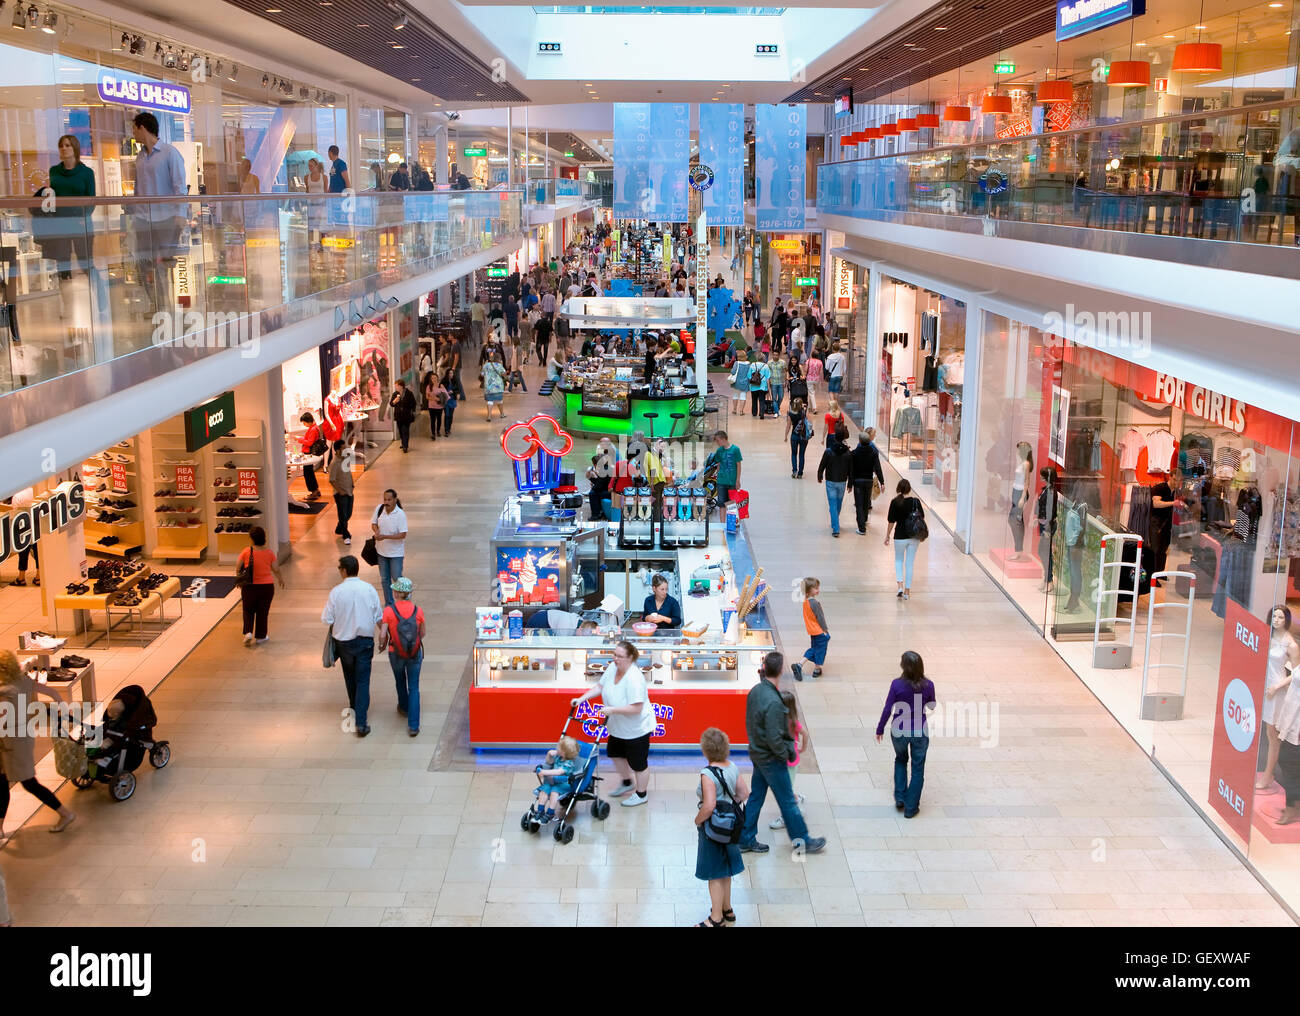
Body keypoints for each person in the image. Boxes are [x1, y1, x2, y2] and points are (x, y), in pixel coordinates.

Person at [738, 651, 826, 855]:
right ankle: (802, 840)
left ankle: (745, 838)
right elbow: (774, 737)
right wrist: (787, 754)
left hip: (758, 754)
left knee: (756, 797)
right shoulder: (774, 701)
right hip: (771, 758)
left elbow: (751, 721)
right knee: (787, 800)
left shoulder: (756, 691)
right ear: (780, 670)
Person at [0, 649, 77, 838]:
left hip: (12, 742)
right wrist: (62, 709)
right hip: (21, 737)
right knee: (2, 782)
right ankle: (0, 827)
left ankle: (65, 813)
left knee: (29, 783)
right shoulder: (23, 681)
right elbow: (51, 692)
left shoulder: (5, 691)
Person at [571, 641, 655, 807]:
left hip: (636, 729)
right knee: (614, 753)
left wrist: (612, 710)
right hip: (618, 726)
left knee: (639, 764)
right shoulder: (612, 668)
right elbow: (599, 687)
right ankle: (626, 782)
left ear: (630, 658)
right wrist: (581, 699)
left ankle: (641, 794)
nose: (615, 659)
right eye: (614, 654)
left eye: (620, 656)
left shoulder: (634, 678)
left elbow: (636, 708)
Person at [129, 112, 188, 313]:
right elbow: (138, 189)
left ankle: (165, 307)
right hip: (143, 219)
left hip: (166, 219)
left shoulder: (170, 153)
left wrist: (180, 216)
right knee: (144, 264)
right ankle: (156, 304)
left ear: (142, 128)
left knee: (163, 266)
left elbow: (180, 187)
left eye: (134, 128)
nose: (133, 133)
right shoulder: (140, 157)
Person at [321, 556, 384, 737]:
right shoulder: (369, 589)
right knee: (363, 680)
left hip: (344, 643)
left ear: (344, 571)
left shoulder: (336, 592)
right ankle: (361, 723)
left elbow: (327, 619)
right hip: (365, 641)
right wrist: (384, 635)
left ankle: (355, 708)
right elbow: (378, 615)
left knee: (350, 677)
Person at [694, 726, 750, 927]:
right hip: (731, 828)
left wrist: (698, 820)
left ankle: (716, 918)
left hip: (713, 829)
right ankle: (728, 909)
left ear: (705, 750)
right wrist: (729, 804)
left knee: (714, 872)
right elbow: (744, 793)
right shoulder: (733, 766)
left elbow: (709, 805)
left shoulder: (707, 774)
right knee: (726, 868)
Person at [875, 651, 936, 818]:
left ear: (903, 666)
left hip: (898, 730)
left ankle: (900, 797)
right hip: (919, 731)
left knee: (901, 759)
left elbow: (888, 708)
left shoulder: (896, 684)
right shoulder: (929, 685)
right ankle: (911, 807)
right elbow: (931, 706)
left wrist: (880, 728)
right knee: (918, 769)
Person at [377, 576, 425, 737]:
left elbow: (383, 634)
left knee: (399, 680)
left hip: (395, 653)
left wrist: (382, 644)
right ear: (410, 593)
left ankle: (403, 707)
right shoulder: (418, 611)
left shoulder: (389, 611)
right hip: (414, 653)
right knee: (414, 687)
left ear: (397, 593)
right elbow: (422, 633)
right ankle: (413, 726)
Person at [43, 134, 96, 279]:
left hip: (81, 223)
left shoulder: (87, 173)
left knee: (85, 263)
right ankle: (65, 299)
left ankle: (98, 295)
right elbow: (53, 196)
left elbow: (91, 200)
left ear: (75, 148)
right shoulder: (54, 171)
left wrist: (84, 217)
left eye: (67, 145)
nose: (64, 148)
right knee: (62, 265)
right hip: (61, 224)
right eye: (61, 146)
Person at [1259, 606, 1300, 790]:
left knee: (1272, 735)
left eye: (1280, 617)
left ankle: (1268, 775)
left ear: (1287, 620)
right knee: (1268, 733)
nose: (1276, 620)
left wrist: (1277, 686)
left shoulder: (1290, 644)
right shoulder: (1267, 635)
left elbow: (1297, 673)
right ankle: (1267, 773)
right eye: (1274, 616)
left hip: (1275, 689)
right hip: (1263, 685)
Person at [237, 526, 284, 647]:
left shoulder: (246, 551)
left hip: (249, 586)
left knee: (248, 610)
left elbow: (238, 568)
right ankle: (261, 637)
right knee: (262, 612)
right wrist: (280, 579)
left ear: (252, 539)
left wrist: (240, 580)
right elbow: (276, 569)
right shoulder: (269, 553)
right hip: (266, 587)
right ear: (264, 538)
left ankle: (248, 632)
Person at [768, 692, 807, 830]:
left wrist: (803, 747)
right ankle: (796, 799)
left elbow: (805, 733)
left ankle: (787, 816)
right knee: (785, 788)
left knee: (785, 791)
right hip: (784, 761)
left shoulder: (791, 722)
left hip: (789, 763)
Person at [885, 479, 925, 600]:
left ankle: (900, 587)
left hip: (900, 536)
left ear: (898, 489)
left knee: (898, 561)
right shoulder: (916, 502)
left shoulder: (895, 502)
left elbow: (891, 521)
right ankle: (907, 591)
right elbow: (922, 517)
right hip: (914, 536)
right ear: (909, 489)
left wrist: (887, 536)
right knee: (909, 563)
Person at [370, 488, 408, 609]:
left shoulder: (400, 514)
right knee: (385, 579)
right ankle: (389, 604)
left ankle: (404, 603)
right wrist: (376, 532)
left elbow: (403, 534)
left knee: (397, 579)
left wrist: (385, 536)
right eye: (385, 499)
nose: (386, 502)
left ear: (395, 500)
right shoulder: (379, 508)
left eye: (389, 499)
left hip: (396, 554)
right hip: (381, 552)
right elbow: (373, 523)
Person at [531, 735, 582, 824]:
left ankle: (550, 812)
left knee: (554, 792)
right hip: (553, 781)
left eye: (559, 747)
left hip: (564, 784)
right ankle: (540, 810)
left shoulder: (569, 764)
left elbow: (558, 772)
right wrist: (549, 754)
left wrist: (544, 772)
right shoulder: (558, 757)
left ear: (564, 753)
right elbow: (549, 762)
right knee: (544, 790)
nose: (556, 747)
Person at [816, 423, 852, 537]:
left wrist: (820, 475)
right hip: (842, 481)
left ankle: (835, 527)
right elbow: (851, 469)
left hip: (831, 480)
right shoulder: (848, 453)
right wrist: (850, 483)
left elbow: (822, 465)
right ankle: (835, 521)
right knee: (839, 503)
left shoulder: (829, 451)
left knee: (832, 503)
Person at [791, 576, 831, 682]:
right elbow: (820, 618)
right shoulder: (814, 603)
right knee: (820, 650)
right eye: (816, 588)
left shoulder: (806, 602)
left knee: (814, 648)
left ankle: (800, 665)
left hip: (812, 631)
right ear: (809, 590)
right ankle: (815, 669)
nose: (818, 590)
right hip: (819, 631)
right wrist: (825, 630)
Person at [850, 429, 885, 535]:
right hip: (869, 481)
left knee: (859, 504)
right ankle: (864, 520)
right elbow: (878, 468)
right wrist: (882, 482)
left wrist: (850, 483)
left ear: (860, 441)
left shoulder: (854, 453)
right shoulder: (874, 453)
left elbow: (851, 470)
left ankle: (861, 528)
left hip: (858, 481)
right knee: (866, 503)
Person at [705, 431, 742, 521]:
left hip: (732, 481)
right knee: (721, 504)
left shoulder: (735, 450)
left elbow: (738, 465)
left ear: (723, 439)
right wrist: (718, 476)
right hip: (721, 481)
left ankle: (732, 523)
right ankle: (722, 524)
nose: (717, 443)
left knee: (731, 503)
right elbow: (718, 463)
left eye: (718, 441)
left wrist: (737, 480)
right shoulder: (719, 451)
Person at [1008, 442, 1033, 562]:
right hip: (1015, 491)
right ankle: (1018, 549)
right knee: (1014, 520)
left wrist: (1022, 498)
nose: (1017, 452)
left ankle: (1018, 550)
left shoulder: (1026, 464)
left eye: (1019, 450)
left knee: (1015, 521)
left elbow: (1027, 481)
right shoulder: (1021, 462)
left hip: (1020, 493)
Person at [1036, 466, 1060, 592]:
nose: (1040, 477)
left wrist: (1046, 529)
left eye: (1042, 475)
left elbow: (1050, 512)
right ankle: (1047, 579)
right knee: (1042, 552)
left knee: (1045, 552)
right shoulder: (1046, 490)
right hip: (1044, 525)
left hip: (1047, 526)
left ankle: (1049, 580)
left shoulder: (1051, 492)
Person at [328, 440, 355, 545]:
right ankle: (346, 535)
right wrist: (340, 491)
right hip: (340, 494)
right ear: (338, 450)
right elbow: (332, 480)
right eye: (344, 448)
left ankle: (339, 528)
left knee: (348, 513)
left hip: (349, 491)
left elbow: (348, 473)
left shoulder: (345, 460)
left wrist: (352, 484)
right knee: (343, 515)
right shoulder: (334, 463)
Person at [784, 396, 813, 480]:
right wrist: (804, 409)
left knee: (793, 454)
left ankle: (794, 471)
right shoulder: (804, 412)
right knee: (801, 454)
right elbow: (810, 422)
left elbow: (788, 426)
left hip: (794, 435)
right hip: (803, 436)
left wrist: (785, 436)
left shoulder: (790, 413)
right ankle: (800, 473)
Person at [298, 412, 323, 500]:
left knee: (308, 473)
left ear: (308, 421)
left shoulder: (313, 429)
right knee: (309, 473)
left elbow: (309, 442)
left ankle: (313, 492)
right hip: (309, 453)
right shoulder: (314, 428)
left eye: (304, 423)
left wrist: (299, 439)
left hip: (308, 453)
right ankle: (315, 490)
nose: (304, 425)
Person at [389, 378, 417, 453]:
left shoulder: (409, 393)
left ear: (401, 386)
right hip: (398, 415)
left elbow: (414, 403)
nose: (396, 387)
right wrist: (395, 401)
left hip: (406, 415)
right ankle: (403, 443)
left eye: (397, 386)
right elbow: (391, 404)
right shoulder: (395, 394)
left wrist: (412, 410)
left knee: (405, 430)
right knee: (400, 430)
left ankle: (405, 446)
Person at [423, 371, 448, 441]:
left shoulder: (441, 385)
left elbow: (445, 395)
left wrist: (440, 399)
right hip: (431, 406)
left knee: (439, 419)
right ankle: (433, 433)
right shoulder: (429, 387)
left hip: (440, 406)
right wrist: (434, 398)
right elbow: (427, 397)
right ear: (431, 379)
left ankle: (438, 431)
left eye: (435, 378)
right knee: (432, 420)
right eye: (432, 378)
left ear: (437, 378)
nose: (434, 379)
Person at [482, 355, 507, 420]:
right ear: (499, 359)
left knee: (490, 401)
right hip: (498, 386)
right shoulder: (499, 365)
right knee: (499, 400)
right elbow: (504, 375)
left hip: (488, 386)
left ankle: (489, 416)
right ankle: (502, 414)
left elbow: (482, 374)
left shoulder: (486, 365)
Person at [749, 352, 771, 419]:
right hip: (762, 385)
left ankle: (754, 412)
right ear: (764, 358)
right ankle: (761, 413)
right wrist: (768, 388)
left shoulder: (752, 364)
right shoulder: (766, 366)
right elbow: (768, 377)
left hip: (754, 385)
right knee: (762, 400)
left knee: (754, 399)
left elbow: (749, 375)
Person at [441, 369, 459, 436]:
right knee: (447, 415)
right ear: (447, 374)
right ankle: (446, 430)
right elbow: (441, 390)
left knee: (451, 416)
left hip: (452, 400)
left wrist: (454, 392)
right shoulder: (443, 381)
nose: (451, 375)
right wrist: (447, 392)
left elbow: (457, 389)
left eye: (452, 373)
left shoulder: (455, 380)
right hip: (446, 401)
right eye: (449, 373)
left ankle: (449, 429)